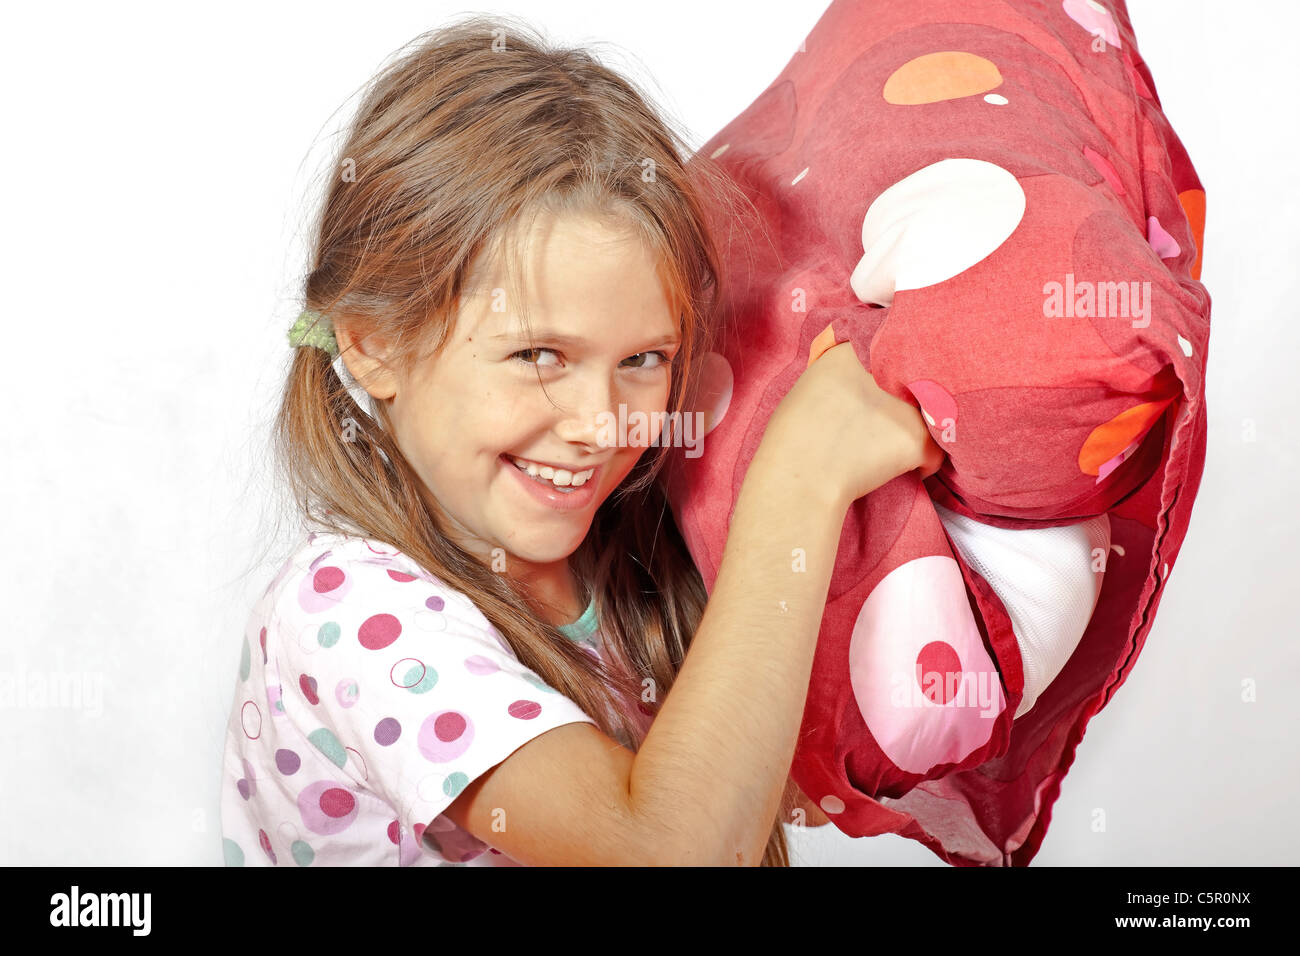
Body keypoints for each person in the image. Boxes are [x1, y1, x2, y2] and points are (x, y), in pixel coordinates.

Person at [219, 12, 941, 867]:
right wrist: (800, 485)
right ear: (374, 343)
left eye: (643, 357)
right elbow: (674, 852)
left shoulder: (626, 558)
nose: (602, 424)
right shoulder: (344, 610)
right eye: (537, 355)